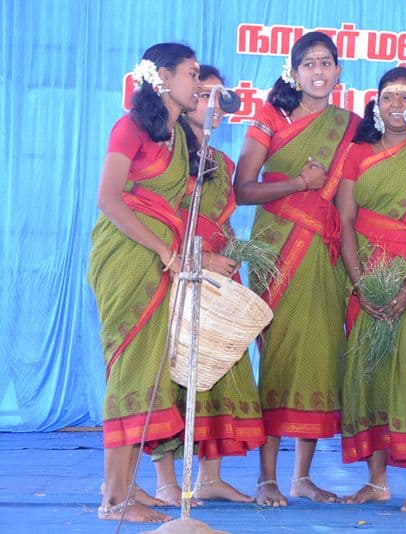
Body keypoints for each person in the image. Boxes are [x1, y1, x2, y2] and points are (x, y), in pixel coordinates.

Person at [234, 31, 359, 506]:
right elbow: (242, 189)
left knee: (320, 358)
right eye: (309, 64)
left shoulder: (347, 125)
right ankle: (266, 477)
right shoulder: (269, 118)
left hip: (324, 254)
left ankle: (301, 477)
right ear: (294, 71)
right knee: (280, 357)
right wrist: (299, 184)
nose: (319, 71)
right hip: (277, 248)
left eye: (326, 62)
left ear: (339, 70)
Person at [88, 42, 202, 523]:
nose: (199, 83)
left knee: (148, 371)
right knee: (130, 369)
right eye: (192, 74)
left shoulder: (179, 137)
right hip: (128, 258)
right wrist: (161, 249)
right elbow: (109, 199)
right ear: (163, 77)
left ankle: (129, 486)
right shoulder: (130, 126)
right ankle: (113, 499)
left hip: (162, 260)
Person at [150, 65, 266, 506]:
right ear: (184, 100)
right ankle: (165, 479)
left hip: (219, 275)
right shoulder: (167, 150)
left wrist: (232, 256)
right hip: (175, 269)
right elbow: (160, 213)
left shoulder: (225, 161)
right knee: (171, 372)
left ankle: (210, 477)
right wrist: (197, 258)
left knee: (217, 369)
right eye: (204, 95)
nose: (214, 105)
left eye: (221, 97)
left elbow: (222, 219)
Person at [335, 67, 406, 513]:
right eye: (388, 97)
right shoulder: (358, 154)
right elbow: (344, 221)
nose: (397, 105)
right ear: (376, 105)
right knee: (370, 374)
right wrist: (362, 286)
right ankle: (376, 481)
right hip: (368, 280)